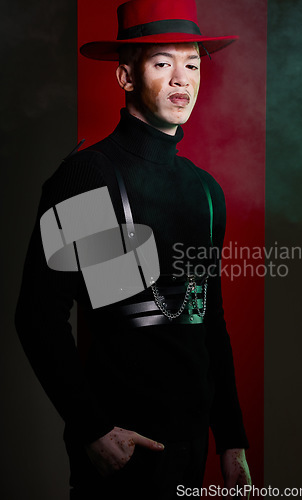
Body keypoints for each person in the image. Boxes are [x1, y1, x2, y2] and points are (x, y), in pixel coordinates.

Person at [15, 0, 252, 498]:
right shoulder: (87, 178)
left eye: (192, 64)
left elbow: (210, 318)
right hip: (121, 449)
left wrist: (231, 438)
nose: (181, 80)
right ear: (125, 76)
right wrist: (92, 428)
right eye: (162, 63)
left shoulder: (206, 191)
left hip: (191, 448)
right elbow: (38, 316)